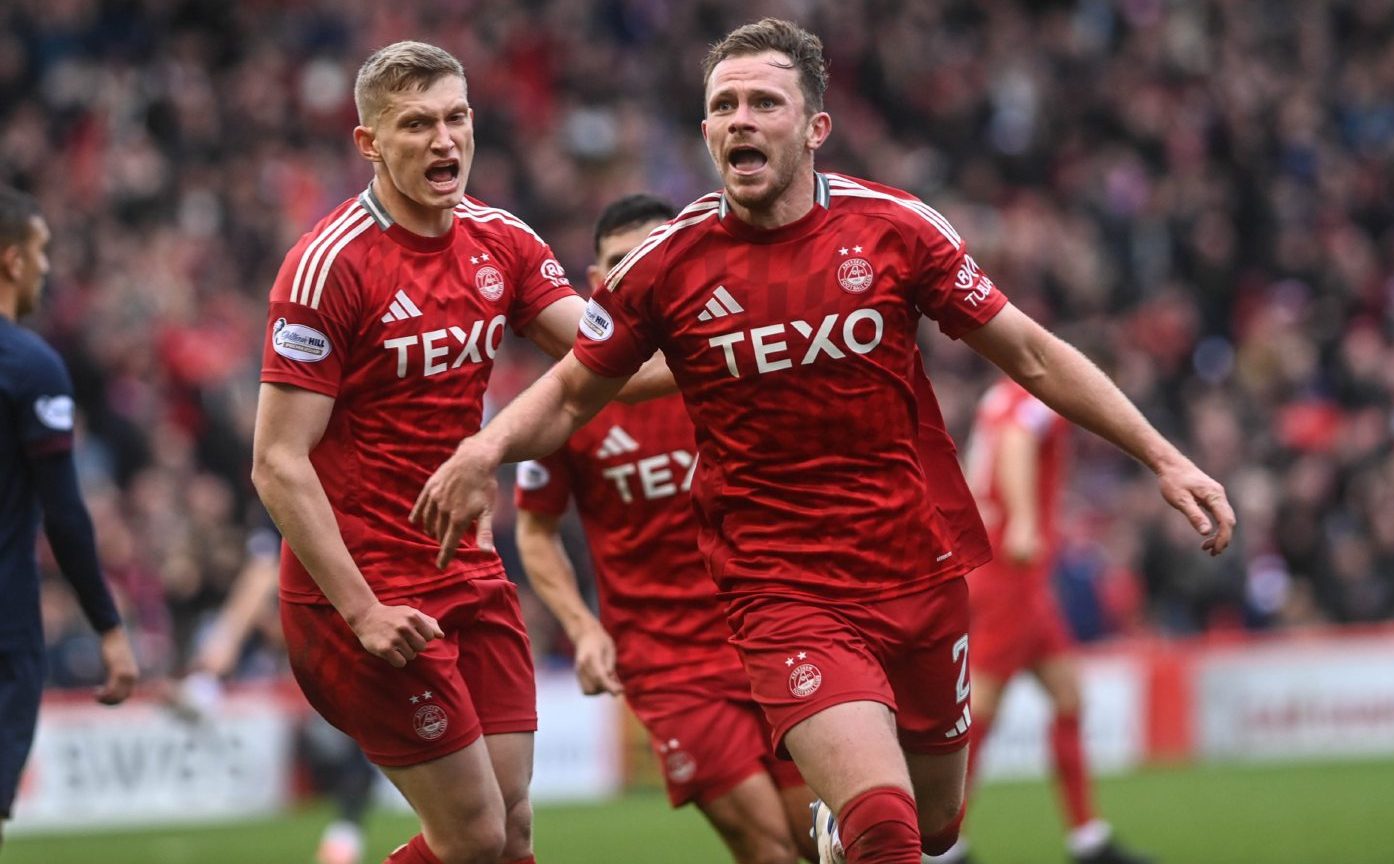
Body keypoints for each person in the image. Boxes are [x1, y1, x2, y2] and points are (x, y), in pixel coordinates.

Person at [412, 19, 1235, 864]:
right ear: (704, 131)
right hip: (782, 589)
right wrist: (484, 451)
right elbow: (573, 391)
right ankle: (856, 825)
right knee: (886, 828)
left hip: (915, 570)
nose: (740, 119)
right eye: (722, 105)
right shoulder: (667, 265)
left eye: (764, 102)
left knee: (936, 823)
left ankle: (842, 828)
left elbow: (1029, 352)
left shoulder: (896, 230)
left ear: (814, 128)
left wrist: (1163, 456)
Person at [251, 41, 666, 864]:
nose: (445, 142)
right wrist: (362, 610)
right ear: (369, 144)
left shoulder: (501, 241)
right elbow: (276, 463)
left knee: (509, 833)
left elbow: (606, 365)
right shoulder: (328, 267)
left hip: (466, 574)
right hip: (364, 594)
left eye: (456, 118)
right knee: (473, 837)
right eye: (416, 125)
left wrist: (752, 341)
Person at [514, 193, 818, 864]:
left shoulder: (732, 363)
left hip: (775, 631)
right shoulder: (569, 399)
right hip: (668, 665)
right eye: (621, 264)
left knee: (827, 845)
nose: (638, 276)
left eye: (656, 256)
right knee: (770, 850)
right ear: (595, 284)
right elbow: (535, 532)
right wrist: (582, 625)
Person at [935, 376, 1150, 864]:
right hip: (1013, 572)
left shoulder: (997, 394)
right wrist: (1026, 521)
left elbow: (981, 460)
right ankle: (942, 847)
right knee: (981, 705)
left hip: (1012, 574)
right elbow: (1015, 441)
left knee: (1067, 694)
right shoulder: (1037, 396)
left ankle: (1088, 839)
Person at [0, 184, 138, 845]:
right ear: (12, 260)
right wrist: (109, 629)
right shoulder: (30, 368)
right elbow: (65, 514)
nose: (48, 266)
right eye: (41, 250)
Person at [172, 522, 376, 864]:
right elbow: (260, 574)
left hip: (349, 615)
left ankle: (209, 679)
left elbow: (260, 576)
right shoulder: (286, 511)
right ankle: (347, 832)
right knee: (357, 744)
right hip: (335, 623)